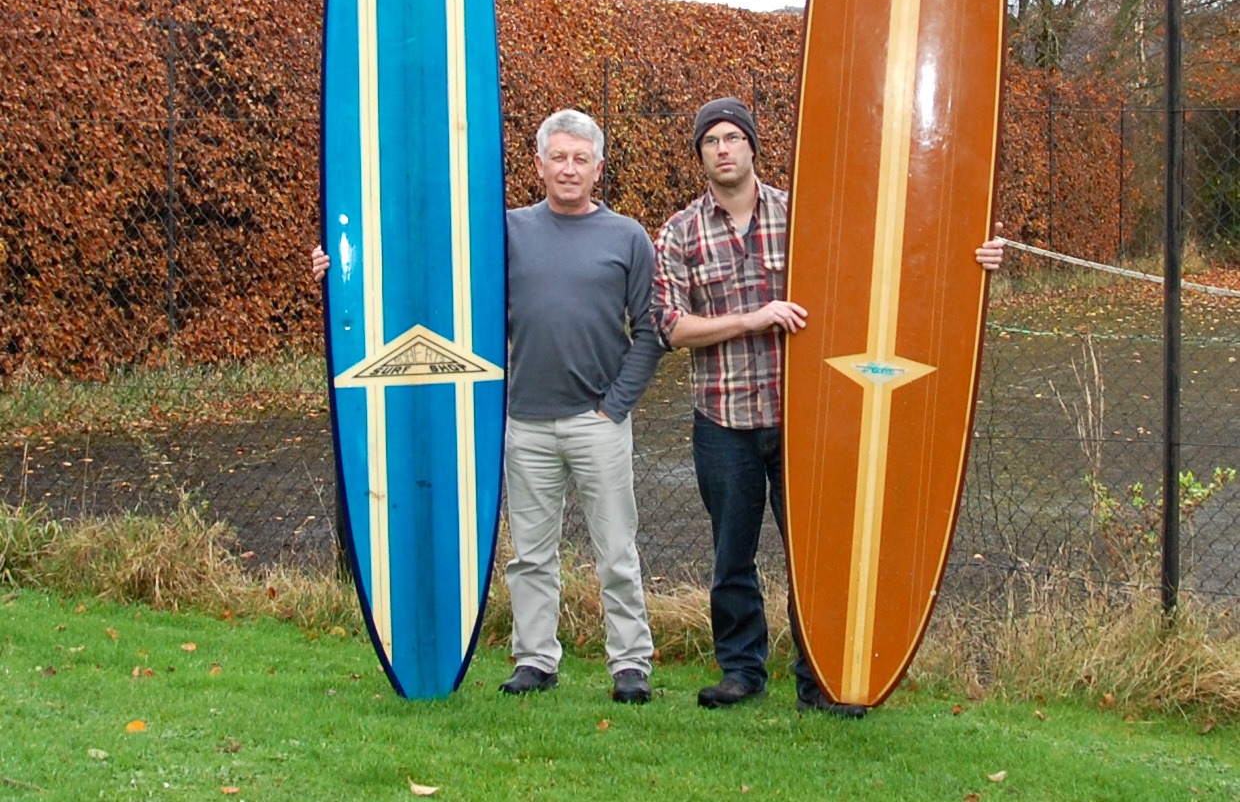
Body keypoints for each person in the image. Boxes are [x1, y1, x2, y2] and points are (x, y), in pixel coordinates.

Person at [652, 97, 1005, 718]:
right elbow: (672, 327)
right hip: (722, 419)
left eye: (735, 138)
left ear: (754, 146)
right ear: (700, 155)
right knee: (731, 555)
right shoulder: (680, 231)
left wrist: (969, 256)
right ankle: (741, 672)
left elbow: (888, 257)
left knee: (814, 556)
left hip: (806, 420)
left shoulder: (805, 213)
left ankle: (818, 676)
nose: (724, 149)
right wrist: (753, 319)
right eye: (712, 142)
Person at [312, 108, 663, 704]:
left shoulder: (627, 237)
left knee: (617, 551)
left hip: (597, 423)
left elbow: (651, 330)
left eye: (581, 159)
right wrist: (345, 266)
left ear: (598, 168)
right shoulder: (506, 232)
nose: (569, 169)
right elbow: (425, 270)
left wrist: (616, 406)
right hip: (524, 421)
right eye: (558, 157)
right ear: (539, 165)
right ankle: (536, 660)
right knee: (530, 555)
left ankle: (630, 665)